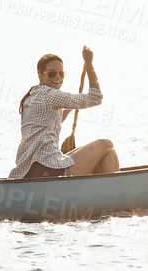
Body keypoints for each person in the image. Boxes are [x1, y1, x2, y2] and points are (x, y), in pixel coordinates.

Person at [9, 46, 119, 180]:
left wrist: (69, 108)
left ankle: (106, 192)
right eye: (52, 73)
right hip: (47, 167)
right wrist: (89, 64)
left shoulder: (31, 97)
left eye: (61, 74)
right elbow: (95, 98)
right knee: (106, 145)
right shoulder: (49, 94)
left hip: (30, 168)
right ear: (40, 74)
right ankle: (115, 194)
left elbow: (45, 123)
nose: (57, 77)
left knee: (108, 153)